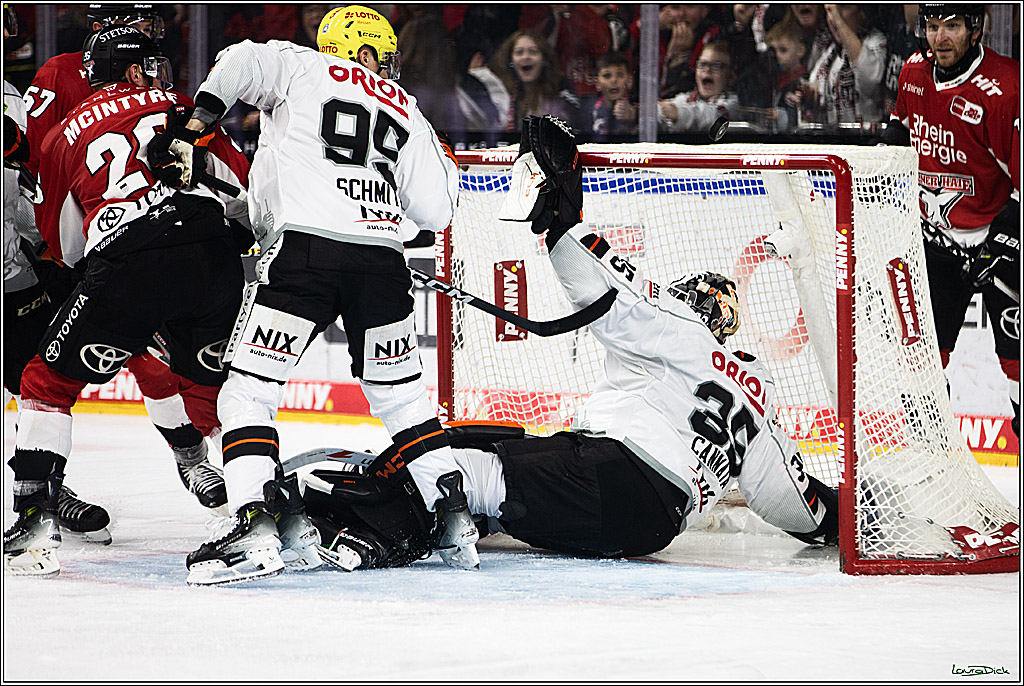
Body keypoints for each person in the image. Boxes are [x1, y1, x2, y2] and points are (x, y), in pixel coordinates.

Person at [301, 115, 838, 570]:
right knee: (493, 444)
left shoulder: (679, 329)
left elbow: (610, 294)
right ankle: (392, 504)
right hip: (649, 524)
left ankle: (351, 524)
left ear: (691, 301)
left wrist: (562, 218)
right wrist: (840, 516)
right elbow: (791, 502)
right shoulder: (756, 390)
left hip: (616, 472)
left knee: (464, 474)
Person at [160, 5, 476, 586]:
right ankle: (453, 519)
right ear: (375, 51)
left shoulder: (302, 66)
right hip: (383, 264)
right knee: (404, 400)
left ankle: (256, 527)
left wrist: (195, 126)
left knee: (247, 395)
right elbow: (436, 213)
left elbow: (238, 61)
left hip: (305, 257)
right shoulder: (409, 110)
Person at [2, 26, 251, 577]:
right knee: (221, 393)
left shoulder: (64, 131)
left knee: (45, 385)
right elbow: (242, 183)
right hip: (211, 255)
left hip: (129, 259)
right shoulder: (184, 106)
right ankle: (255, 516)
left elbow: (64, 243)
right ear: (137, 70)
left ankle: (34, 525)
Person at [3, 4, 113, 547]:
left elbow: (27, 188)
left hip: (11, 281)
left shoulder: (9, 100)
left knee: (36, 388)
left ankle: (45, 490)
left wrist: (43, 248)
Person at [884, 4, 1020, 435]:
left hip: (997, 240)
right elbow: (898, 137)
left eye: (953, 27)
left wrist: (1004, 241)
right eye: (933, 26)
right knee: (921, 372)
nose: (940, 38)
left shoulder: (1004, 89)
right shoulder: (913, 73)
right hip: (936, 242)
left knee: (1017, 368)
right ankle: (934, 467)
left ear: (975, 30)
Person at [805, 4, 887, 126]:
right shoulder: (830, 50)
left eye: (843, 7)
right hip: (834, 138)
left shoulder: (875, 42)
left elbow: (871, 79)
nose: (834, 18)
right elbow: (814, 85)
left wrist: (839, 20)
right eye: (830, 11)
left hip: (867, 139)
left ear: (862, 12)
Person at [490, 30, 581, 132]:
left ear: (544, 59)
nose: (526, 57)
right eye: (519, 52)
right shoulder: (504, 94)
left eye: (533, 52)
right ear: (511, 60)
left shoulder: (560, 93)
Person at [658, 41, 739, 133]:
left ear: (731, 77)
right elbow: (666, 109)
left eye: (717, 66)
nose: (707, 70)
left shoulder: (732, 104)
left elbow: (712, 117)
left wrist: (679, 113)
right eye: (703, 64)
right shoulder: (685, 99)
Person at [579, 52, 637, 137]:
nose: (614, 80)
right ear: (597, 83)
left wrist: (634, 115)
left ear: (629, 81)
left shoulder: (639, 108)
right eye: (607, 76)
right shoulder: (589, 110)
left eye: (620, 75)